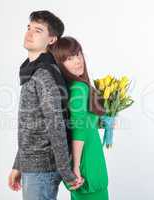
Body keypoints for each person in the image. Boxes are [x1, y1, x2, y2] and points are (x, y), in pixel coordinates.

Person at [7, 11, 84, 200]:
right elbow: (31, 126)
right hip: (33, 167)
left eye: (38, 30)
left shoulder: (44, 74)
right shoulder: (31, 71)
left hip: (43, 170)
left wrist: (66, 172)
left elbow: (56, 125)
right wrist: (19, 164)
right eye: (29, 28)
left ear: (51, 39)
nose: (30, 33)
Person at [49, 36, 109, 200]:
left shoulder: (72, 87)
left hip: (86, 162)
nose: (77, 61)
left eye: (78, 54)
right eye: (69, 58)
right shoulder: (79, 88)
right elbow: (79, 129)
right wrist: (76, 167)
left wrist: (105, 120)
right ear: (60, 64)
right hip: (87, 164)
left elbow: (85, 124)